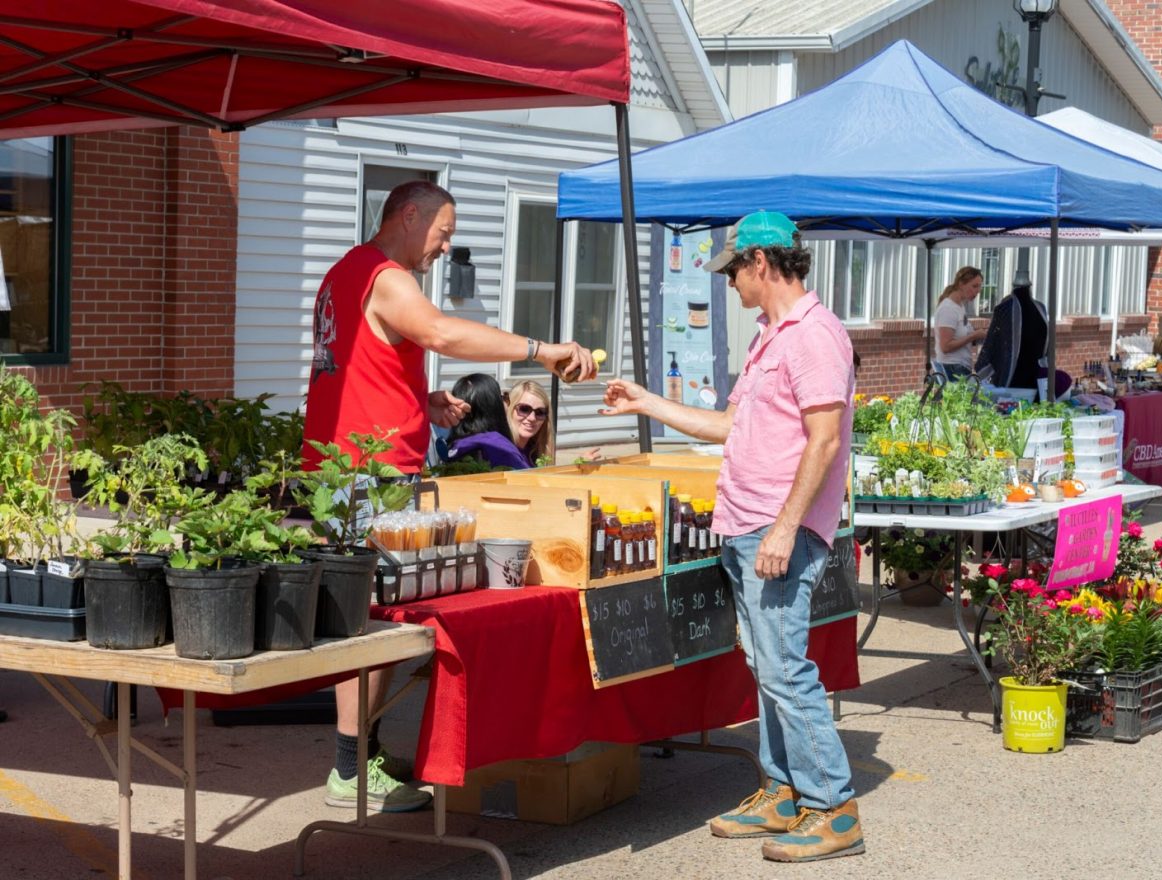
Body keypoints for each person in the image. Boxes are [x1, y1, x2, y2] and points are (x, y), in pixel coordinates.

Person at [302, 180, 596, 813]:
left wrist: (420, 403)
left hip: (346, 468)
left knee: (370, 611)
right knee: (374, 619)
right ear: (409, 215)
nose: (444, 247)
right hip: (369, 474)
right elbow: (439, 332)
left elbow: (358, 370)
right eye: (443, 233)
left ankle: (366, 752)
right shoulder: (385, 276)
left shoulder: (343, 273)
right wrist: (539, 350)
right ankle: (351, 768)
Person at [601, 211, 863, 863]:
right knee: (767, 667)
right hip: (744, 525)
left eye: (732, 272)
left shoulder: (812, 336)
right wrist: (645, 401)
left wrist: (783, 526)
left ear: (761, 265)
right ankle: (782, 790)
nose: (729, 286)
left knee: (785, 668)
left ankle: (832, 807)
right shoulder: (771, 337)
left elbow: (825, 440)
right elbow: (729, 426)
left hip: (778, 530)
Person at [975, 276, 1049, 391]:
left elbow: (991, 345)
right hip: (1017, 378)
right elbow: (994, 342)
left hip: (1029, 379)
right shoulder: (1005, 309)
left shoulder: (1040, 309)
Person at [447, 373, 530, 469]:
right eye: (502, 398)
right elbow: (527, 479)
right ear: (493, 405)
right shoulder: (497, 446)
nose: (506, 404)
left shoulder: (454, 446)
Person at [933, 266, 987, 379]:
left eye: (979, 286)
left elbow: (962, 336)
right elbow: (946, 346)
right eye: (974, 286)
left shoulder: (960, 306)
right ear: (961, 284)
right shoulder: (948, 309)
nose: (977, 291)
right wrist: (973, 336)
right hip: (951, 368)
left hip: (961, 367)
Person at [506, 379, 554, 467]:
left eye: (540, 412)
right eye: (524, 409)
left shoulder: (536, 454)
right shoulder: (498, 449)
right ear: (510, 409)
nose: (532, 418)